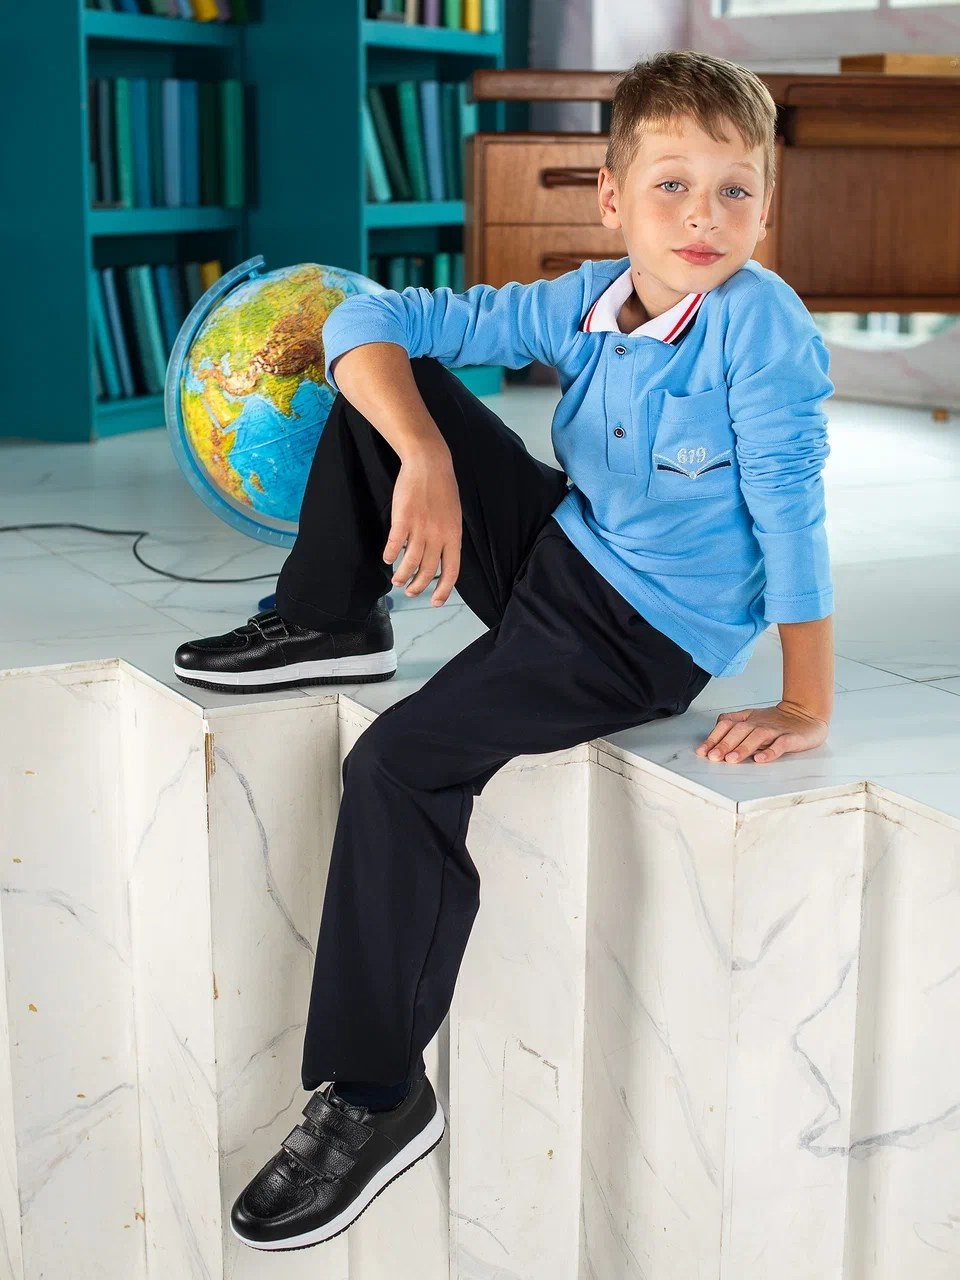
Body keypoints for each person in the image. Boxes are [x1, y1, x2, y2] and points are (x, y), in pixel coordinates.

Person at [176, 49, 836, 1253]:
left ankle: (379, 1092)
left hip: (636, 634)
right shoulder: (591, 295)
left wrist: (804, 700)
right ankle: (334, 616)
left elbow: (792, 509)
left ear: (767, 206)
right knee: (396, 385)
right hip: (561, 551)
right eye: (672, 186)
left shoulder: (760, 327)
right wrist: (427, 456)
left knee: (397, 765)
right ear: (612, 198)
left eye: (734, 191)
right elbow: (370, 316)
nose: (703, 217)